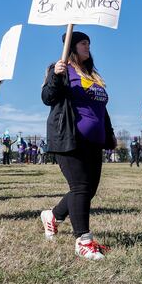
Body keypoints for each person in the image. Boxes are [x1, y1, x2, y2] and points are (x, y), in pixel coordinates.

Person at [40, 31, 116, 260]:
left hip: (94, 140)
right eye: (83, 43)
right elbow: (47, 97)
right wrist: (55, 75)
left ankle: (52, 216)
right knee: (81, 187)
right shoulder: (62, 68)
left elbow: (101, 108)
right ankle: (83, 241)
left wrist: (110, 134)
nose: (88, 46)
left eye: (89, 43)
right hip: (70, 137)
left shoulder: (92, 74)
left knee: (88, 189)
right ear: (72, 46)